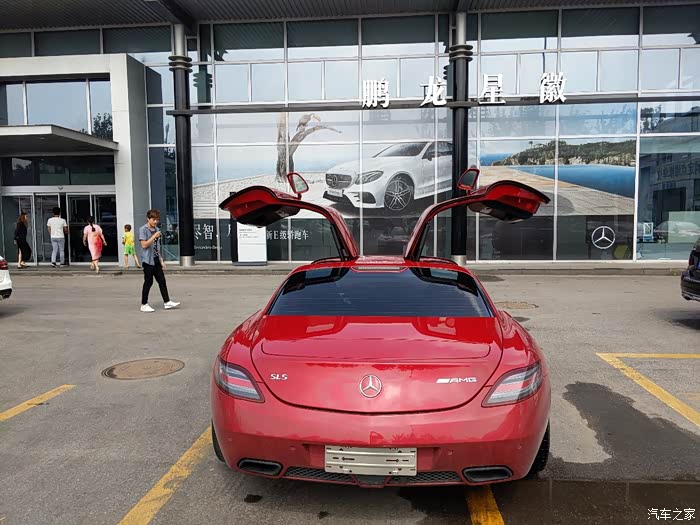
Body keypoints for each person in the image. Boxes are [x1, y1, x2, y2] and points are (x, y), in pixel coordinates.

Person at [139, 209, 179, 312]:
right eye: (153, 219)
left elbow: (157, 247)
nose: (155, 221)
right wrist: (154, 236)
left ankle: (167, 302)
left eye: (157, 219)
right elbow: (144, 245)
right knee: (148, 282)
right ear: (148, 219)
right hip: (148, 260)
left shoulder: (156, 229)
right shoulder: (143, 229)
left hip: (156, 259)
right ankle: (144, 304)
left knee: (162, 281)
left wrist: (161, 260)